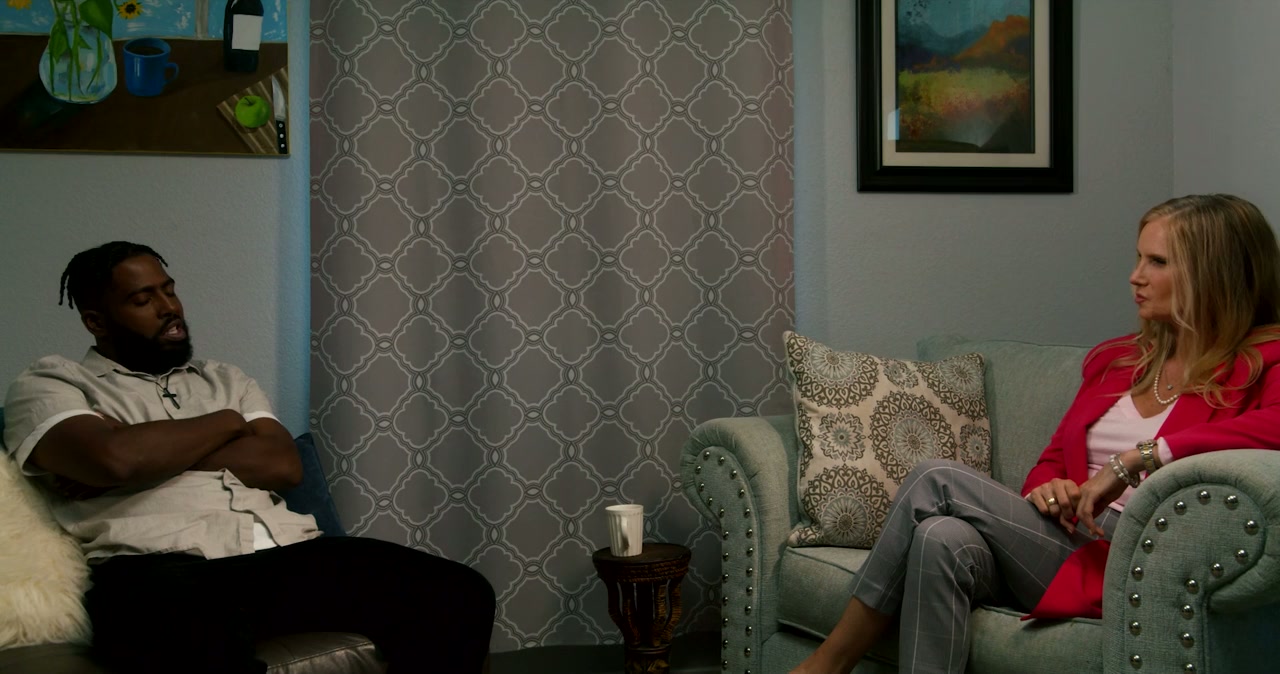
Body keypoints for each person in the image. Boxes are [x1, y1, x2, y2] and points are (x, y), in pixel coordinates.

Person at [791, 194, 1280, 674]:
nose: (1136, 276)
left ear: (1212, 274)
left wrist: (1140, 457)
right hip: (1061, 536)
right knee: (941, 537)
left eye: (1157, 262)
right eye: (1138, 258)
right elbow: (1052, 459)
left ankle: (829, 664)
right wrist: (1048, 489)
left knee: (934, 478)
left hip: (1130, 554)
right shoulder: (1118, 361)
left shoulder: (1264, 361)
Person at [2, 242, 496, 674]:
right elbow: (116, 461)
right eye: (143, 299)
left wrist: (154, 448)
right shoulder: (51, 384)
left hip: (281, 553)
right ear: (96, 321)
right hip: (154, 570)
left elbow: (283, 465)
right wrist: (226, 426)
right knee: (191, 641)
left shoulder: (225, 380)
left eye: (169, 290)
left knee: (458, 591)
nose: (169, 307)